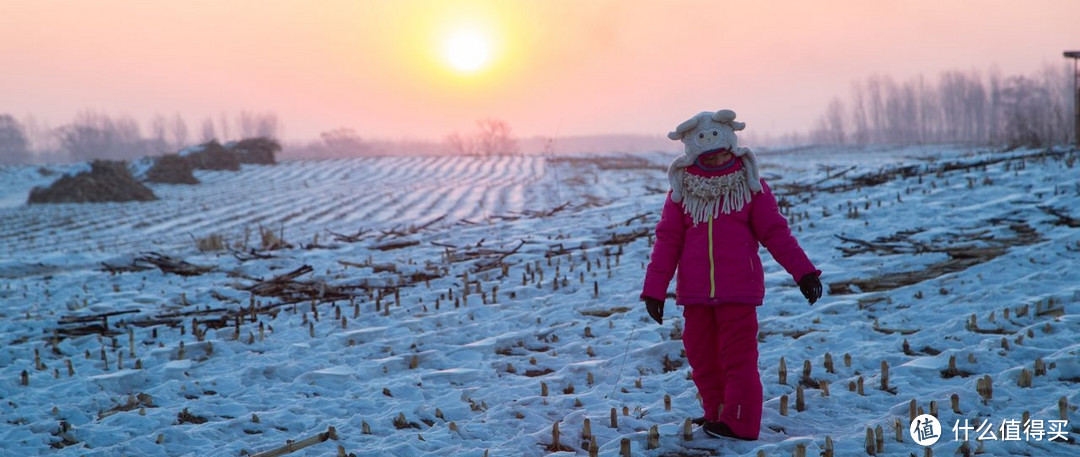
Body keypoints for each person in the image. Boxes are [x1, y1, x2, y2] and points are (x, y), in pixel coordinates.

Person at [641, 109, 822, 441]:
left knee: (737, 359)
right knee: (702, 357)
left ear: (732, 147)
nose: (715, 160)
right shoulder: (682, 192)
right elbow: (667, 241)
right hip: (695, 295)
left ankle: (741, 422)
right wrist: (654, 290)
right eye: (706, 156)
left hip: (739, 292)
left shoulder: (750, 187)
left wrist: (804, 272)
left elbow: (776, 234)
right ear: (693, 153)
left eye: (721, 152)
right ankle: (717, 414)